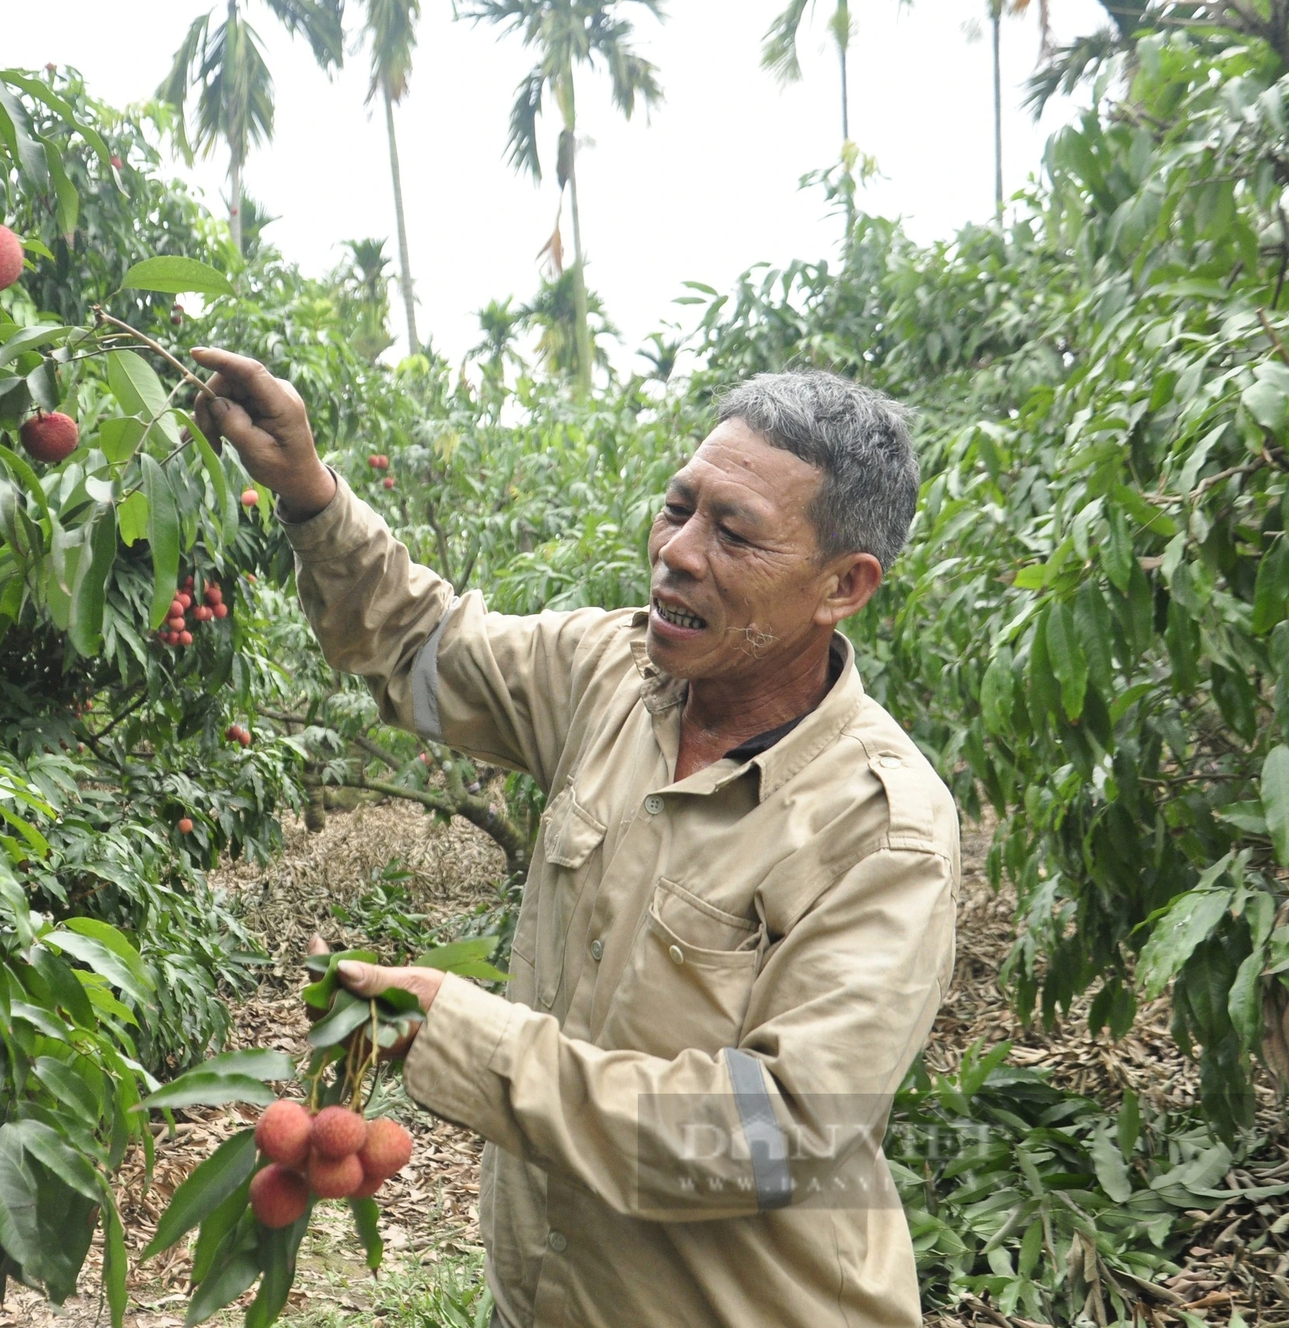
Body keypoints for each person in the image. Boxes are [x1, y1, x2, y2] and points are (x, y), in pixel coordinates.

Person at [191, 347, 959, 1328]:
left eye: (733, 532)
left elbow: (770, 1134)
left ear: (842, 586)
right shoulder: (605, 674)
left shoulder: (878, 826)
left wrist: (461, 1033)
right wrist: (306, 492)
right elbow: (419, 652)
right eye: (678, 506)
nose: (678, 549)